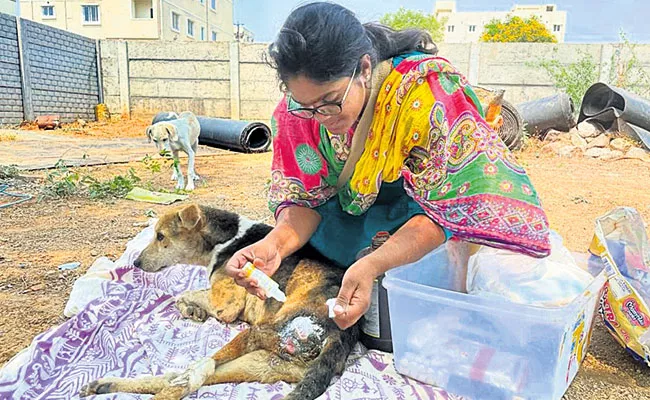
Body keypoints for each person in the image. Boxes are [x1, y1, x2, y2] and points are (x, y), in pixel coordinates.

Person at [225, 2, 551, 332]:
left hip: (416, 217)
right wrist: (274, 245)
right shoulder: (296, 114)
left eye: (332, 100)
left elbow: (443, 208)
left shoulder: (423, 95)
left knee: (425, 282)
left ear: (364, 69)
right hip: (345, 223)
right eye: (308, 107)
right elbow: (305, 201)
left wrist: (374, 263)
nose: (322, 116)